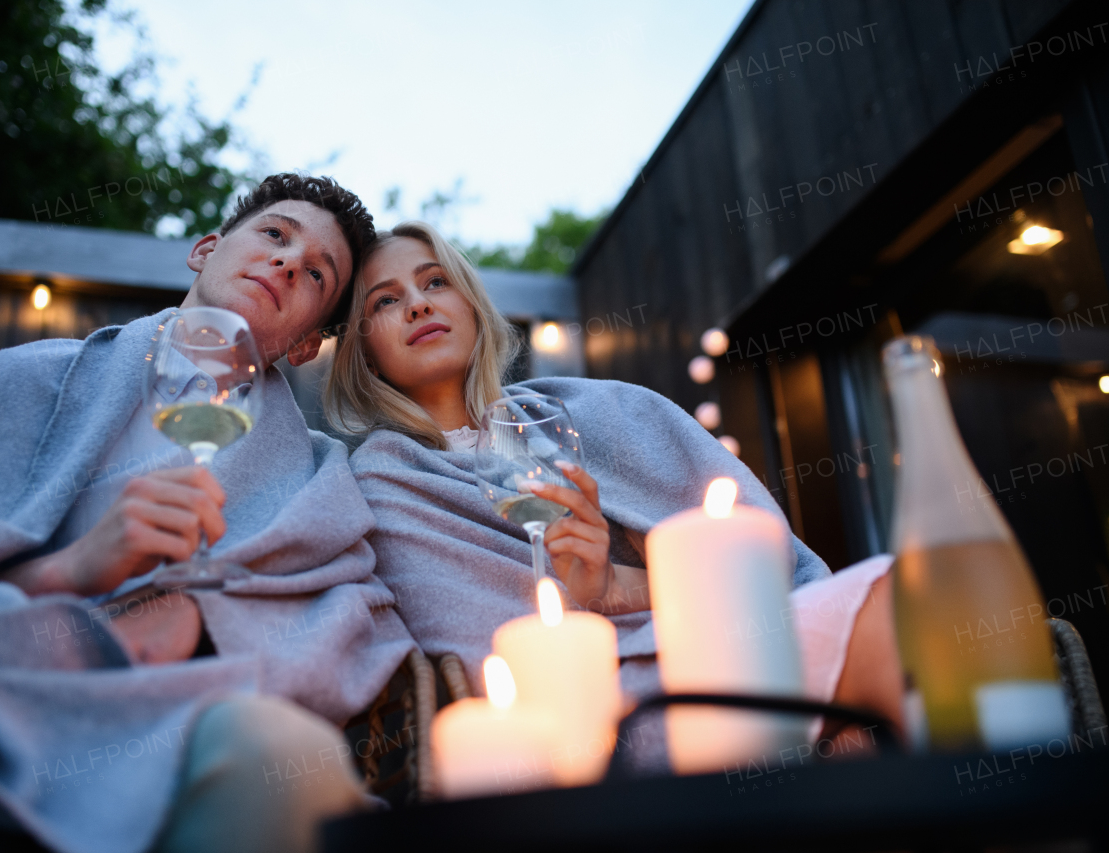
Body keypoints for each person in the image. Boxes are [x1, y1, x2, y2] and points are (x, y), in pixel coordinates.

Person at [0, 174, 415, 853]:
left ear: (304, 345)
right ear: (205, 250)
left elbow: (360, 619)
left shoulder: (316, 479)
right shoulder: (24, 379)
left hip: (179, 707)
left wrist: (213, 620)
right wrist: (65, 573)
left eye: (317, 274)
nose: (289, 261)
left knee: (285, 759)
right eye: (274, 234)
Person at [325, 221, 904, 763]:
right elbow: (479, 648)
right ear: (365, 352)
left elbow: (762, 563)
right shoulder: (389, 481)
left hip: (739, 640)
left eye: (435, 282)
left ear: (472, 306)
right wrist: (598, 597)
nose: (418, 304)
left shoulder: (595, 410)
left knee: (891, 601)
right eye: (386, 300)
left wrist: (617, 587)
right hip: (598, 707)